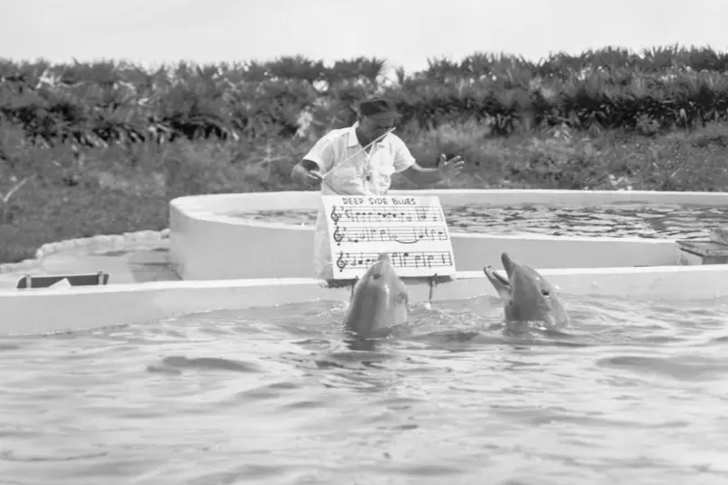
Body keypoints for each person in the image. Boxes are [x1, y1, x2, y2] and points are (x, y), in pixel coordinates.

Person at [290, 97, 464, 279]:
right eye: (377, 126)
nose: (383, 132)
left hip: (375, 228)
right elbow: (298, 170)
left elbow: (416, 175)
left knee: (375, 282)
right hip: (338, 229)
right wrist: (306, 177)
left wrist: (440, 174)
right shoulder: (335, 141)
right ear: (361, 118)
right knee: (337, 280)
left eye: (388, 127)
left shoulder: (393, 143)